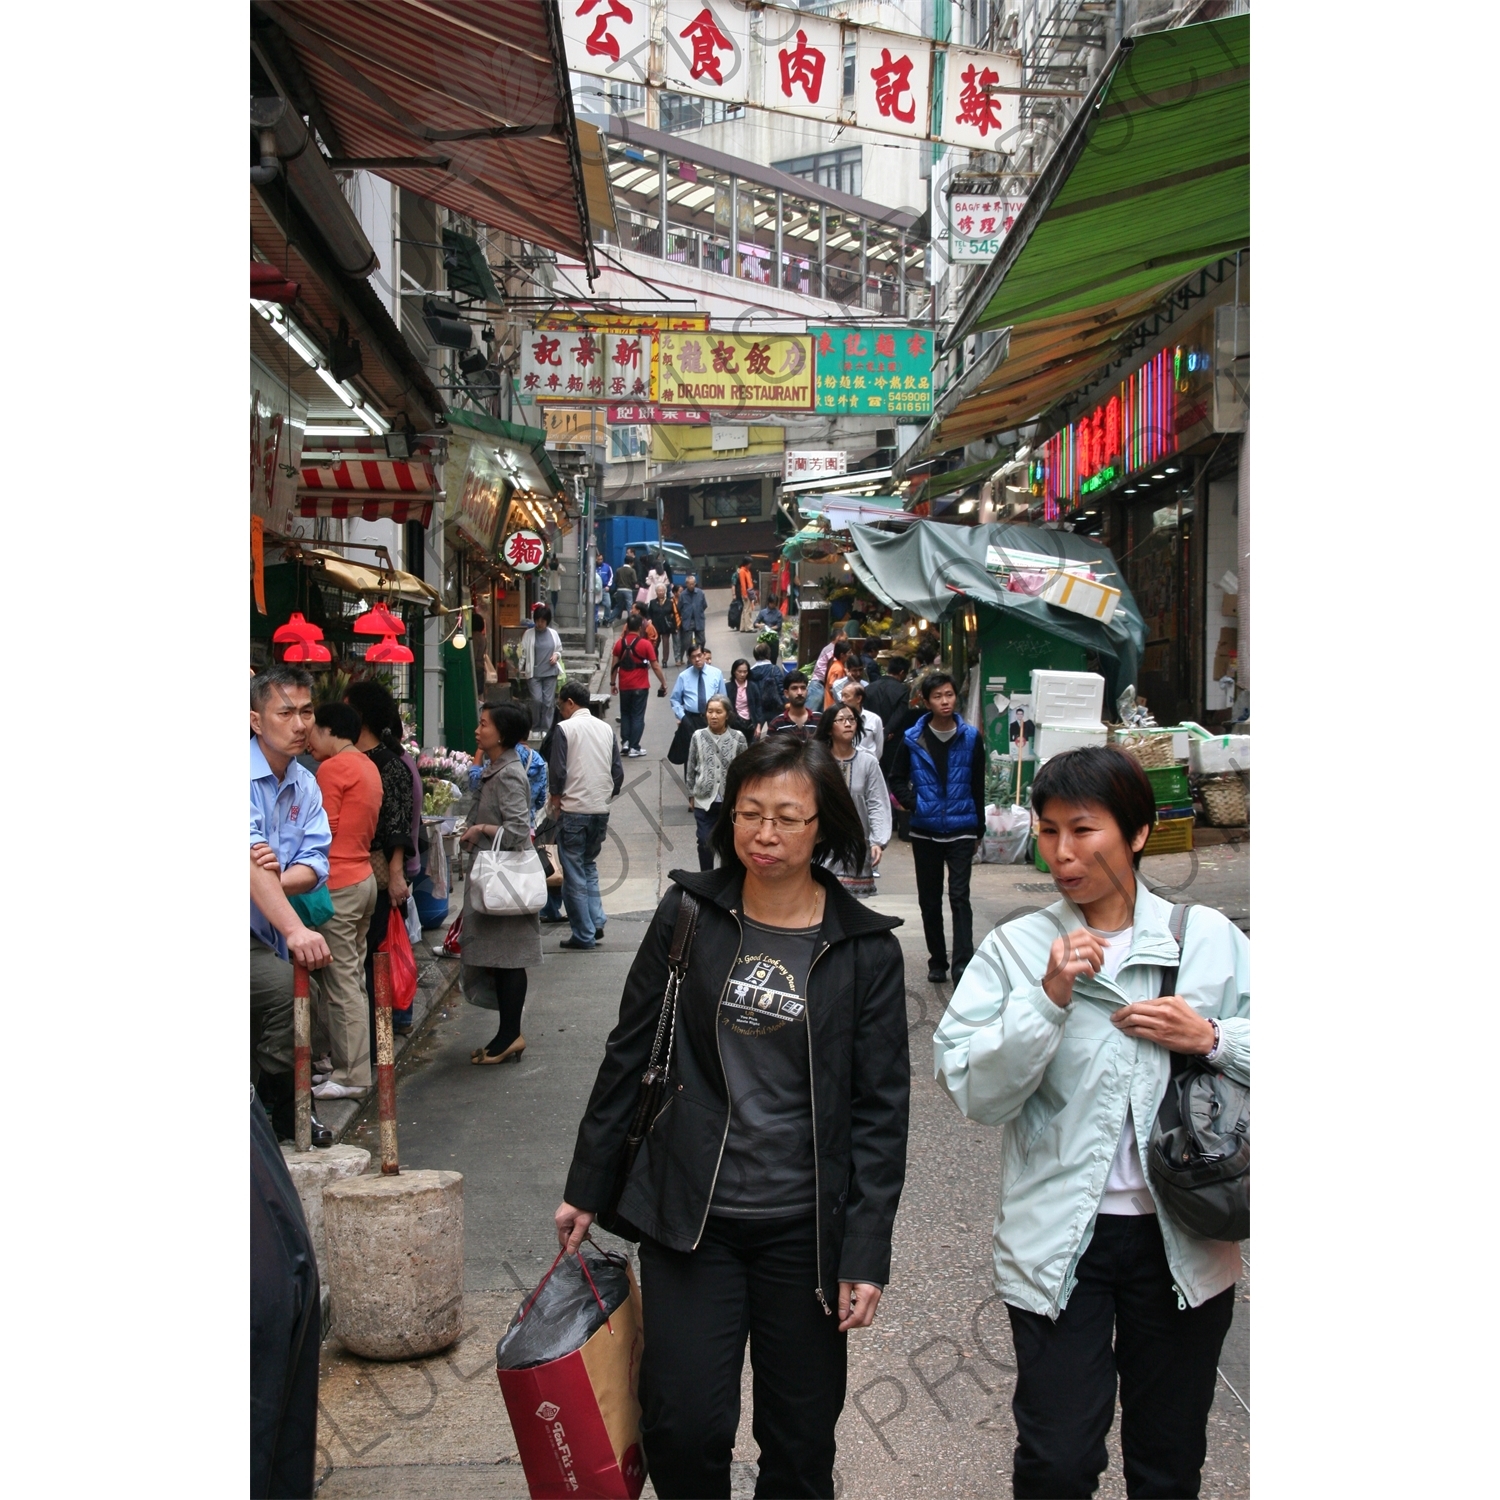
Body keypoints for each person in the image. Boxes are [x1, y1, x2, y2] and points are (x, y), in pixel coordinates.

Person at [554, 735, 910, 1500]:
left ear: (824, 826)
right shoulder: (688, 913)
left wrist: (865, 1250)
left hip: (805, 1231)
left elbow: (882, 1113)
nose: (766, 834)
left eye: (788, 816)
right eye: (750, 813)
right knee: (682, 1425)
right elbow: (628, 1052)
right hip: (692, 1218)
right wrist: (586, 1184)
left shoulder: (864, 950)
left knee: (801, 1437)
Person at [933, 747, 1249, 1500]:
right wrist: (1045, 998)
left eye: (1084, 830)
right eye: (1048, 832)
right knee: (1058, 1460)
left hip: (1185, 1242)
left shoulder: (1206, 939)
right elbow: (974, 1090)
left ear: (1137, 833)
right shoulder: (1016, 949)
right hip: (1061, 1244)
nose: (1063, 853)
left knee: (1167, 1460)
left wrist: (1213, 1038)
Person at [250, 666, 333, 1146]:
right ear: (257, 721)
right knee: (288, 992)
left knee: (302, 1001)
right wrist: (296, 931)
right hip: (257, 934)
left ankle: (286, 1108)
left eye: (306, 712)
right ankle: (283, 1113)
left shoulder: (304, 782)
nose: (300, 724)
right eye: (286, 712)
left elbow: (314, 865)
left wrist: (272, 872)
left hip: (264, 930)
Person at [457, 704, 544, 1064]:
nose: (478, 730)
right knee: (504, 960)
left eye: (484, 725)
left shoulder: (509, 773)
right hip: (496, 880)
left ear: (503, 733)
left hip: (505, 883)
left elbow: (519, 831)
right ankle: (507, 1034)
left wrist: (480, 830)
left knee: (510, 961)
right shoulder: (496, 768)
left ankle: (510, 1035)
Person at [305, 703, 383, 1102]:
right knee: (353, 978)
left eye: (311, 728)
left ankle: (352, 1073)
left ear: (329, 730)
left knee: (341, 983)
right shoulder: (367, 765)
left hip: (337, 882)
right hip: (363, 878)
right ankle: (348, 1065)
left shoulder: (333, 769)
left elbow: (321, 827)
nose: (306, 738)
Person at [888, 672, 984, 985]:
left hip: (962, 827)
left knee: (960, 897)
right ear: (927, 702)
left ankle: (962, 962)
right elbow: (896, 777)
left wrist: (979, 828)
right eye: (938, 696)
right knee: (929, 899)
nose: (945, 701)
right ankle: (938, 960)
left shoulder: (971, 737)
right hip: (925, 830)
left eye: (949, 695)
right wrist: (914, 803)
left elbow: (977, 785)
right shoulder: (913, 739)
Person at [344, 681, 417, 1035]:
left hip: (376, 875)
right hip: (348, 872)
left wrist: (396, 873)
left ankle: (377, 1040)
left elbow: (398, 824)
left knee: (374, 958)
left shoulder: (390, 765)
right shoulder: (347, 761)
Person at [548, 682, 624, 951]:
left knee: (574, 872)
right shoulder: (605, 729)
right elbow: (617, 773)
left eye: (560, 705)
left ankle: (583, 932)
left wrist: (555, 799)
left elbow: (557, 771)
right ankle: (596, 920)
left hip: (574, 810)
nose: (561, 711)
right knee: (588, 865)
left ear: (570, 703)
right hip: (599, 810)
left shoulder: (565, 729)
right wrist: (603, 795)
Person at [813, 701, 891, 898]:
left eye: (852, 719)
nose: (848, 724)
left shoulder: (868, 762)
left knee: (851, 907)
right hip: (822, 844)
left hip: (856, 844)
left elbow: (877, 802)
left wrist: (877, 841)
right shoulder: (817, 762)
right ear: (829, 728)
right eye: (841, 720)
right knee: (823, 898)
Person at [684, 695, 747, 871]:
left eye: (718, 712)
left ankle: (726, 883)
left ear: (727, 715)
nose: (713, 716)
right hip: (703, 800)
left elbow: (745, 770)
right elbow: (691, 766)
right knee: (704, 841)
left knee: (728, 845)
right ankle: (706, 878)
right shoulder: (698, 736)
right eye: (710, 711)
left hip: (730, 803)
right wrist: (691, 794)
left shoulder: (738, 738)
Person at [611, 611, 667, 758]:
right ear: (641, 628)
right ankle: (635, 747)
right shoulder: (645, 644)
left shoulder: (619, 644)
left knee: (625, 714)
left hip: (624, 685)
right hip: (640, 686)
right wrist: (663, 683)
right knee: (637, 716)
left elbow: (614, 665)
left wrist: (612, 683)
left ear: (627, 627)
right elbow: (655, 666)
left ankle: (625, 743)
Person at [521, 604, 562, 735]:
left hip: (550, 672)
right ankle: (536, 726)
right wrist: (519, 668)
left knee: (548, 702)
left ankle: (546, 728)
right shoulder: (528, 634)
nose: (540, 624)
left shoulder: (553, 634)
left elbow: (559, 650)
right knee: (537, 700)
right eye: (538, 620)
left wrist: (556, 656)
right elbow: (522, 652)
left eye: (543, 621)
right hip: (534, 673)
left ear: (547, 621)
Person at [861, 656, 911, 764]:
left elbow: (865, 711)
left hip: (871, 737)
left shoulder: (869, 688)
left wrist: (879, 732)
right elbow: (900, 714)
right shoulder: (902, 690)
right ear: (902, 672)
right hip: (893, 739)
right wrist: (886, 731)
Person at [669, 643, 726, 728]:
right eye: (693, 657)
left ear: (704, 655)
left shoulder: (716, 673)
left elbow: (723, 698)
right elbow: (675, 699)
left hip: (712, 719)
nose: (697, 659)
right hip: (691, 719)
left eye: (699, 655)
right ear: (689, 658)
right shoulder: (683, 676)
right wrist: (682, 717)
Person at [837, 677, 885, 762]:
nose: (842, 700)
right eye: (842, 696)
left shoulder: (874, 719)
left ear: (858, 699)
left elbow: (879, 749)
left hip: (868, 765)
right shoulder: (837, 719)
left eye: (846, 696)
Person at [766, 672, 817, 741]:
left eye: (803, 688)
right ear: (786, 693)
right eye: (794, 688)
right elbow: (769, 750)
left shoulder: (819, 720)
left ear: (807, 692)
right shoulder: (776, 724)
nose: (799, 692)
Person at [806, 628, 845, 713]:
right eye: (845, 639)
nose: (846, 642)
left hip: (821, 685)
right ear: (838, 638)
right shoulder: (832, 650)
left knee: (818, 715)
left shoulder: (831, 648)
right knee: (809, 713)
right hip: (818, 685)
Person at [748, 641, 784, 730]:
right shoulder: (774, 669)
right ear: (768, 654)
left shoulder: (750, 672)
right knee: (776, 734)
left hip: (757, 708)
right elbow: (780, 687)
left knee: (755, 734)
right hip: (774, 707)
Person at [677, 571, 707, 657]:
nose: (691, 586)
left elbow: (704, 605)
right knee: (687, 642)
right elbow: (679, 607)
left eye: (693, 584)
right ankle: (690, 658)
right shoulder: (682, 595)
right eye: (690, 584)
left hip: (699, 619)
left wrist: (698, 611)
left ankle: (700, 655)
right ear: (686, 584)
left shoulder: (700, 593)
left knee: (702, 640)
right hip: (688, 620)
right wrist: (685, 613)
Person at [648, 584, 679, 666]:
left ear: (665, 591)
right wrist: (649, 620)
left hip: (666, 626)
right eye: (659, 591)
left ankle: (665, 660)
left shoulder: (670, 602)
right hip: (655, 626)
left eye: (662, 591)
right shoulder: (652, 602)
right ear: (656, 592)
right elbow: (649, 614)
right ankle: (655, 660)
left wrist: (675, 627)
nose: (660, 592)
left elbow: (674, 614)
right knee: (655, 644)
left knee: (666, 644)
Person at [725, 657, 756, 738]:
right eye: (739, 671)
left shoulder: (753, 686)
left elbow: (758, 706)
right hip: (734, 724)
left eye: (745, 672)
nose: (742, 674)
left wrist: (758, 725)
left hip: (750, 723)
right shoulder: (728, 687)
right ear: (734, 672)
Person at [823, 639, 852, 703]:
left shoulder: (839, 665)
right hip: (833, 705)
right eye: (849, 652)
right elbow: (833, 688)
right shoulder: (838, 668)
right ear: (842, 655)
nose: (851, 654)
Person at [615, 553, 638, 621]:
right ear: (631, 563)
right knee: (629, 606)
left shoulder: (618, 570)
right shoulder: (632, 570)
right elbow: (634, 580)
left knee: (618, 606)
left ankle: (609, 619)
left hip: (619, 589)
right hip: (628, 589)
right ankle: (631, 620)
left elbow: (615, 580)